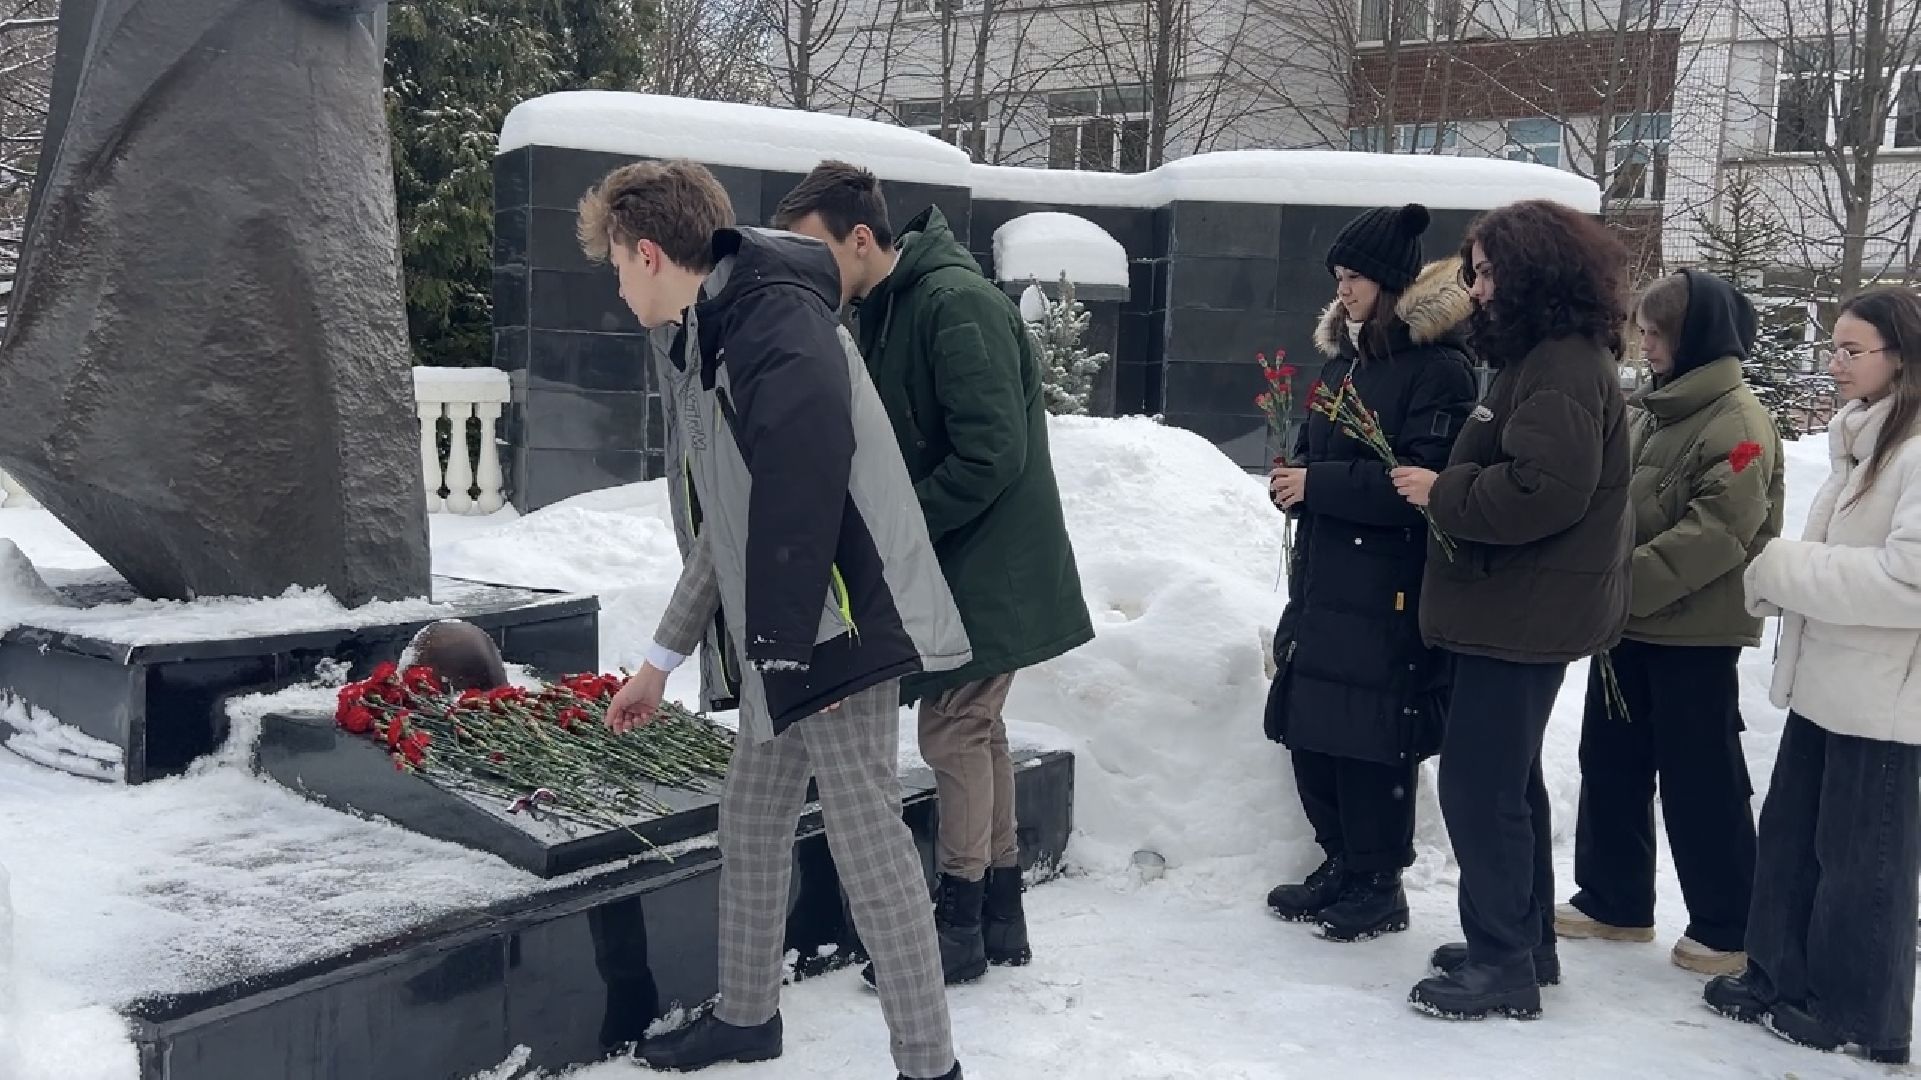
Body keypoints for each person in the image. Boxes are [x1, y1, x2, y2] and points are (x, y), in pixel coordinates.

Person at [583, 159, 971, 1080]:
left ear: (649, 253)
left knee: (868, 844)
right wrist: (659, 661)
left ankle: (930, 1067)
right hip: (791, 629)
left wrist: (789, 650)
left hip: (834, 625)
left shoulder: (771, 324)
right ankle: (747, 1017)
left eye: (617, 265)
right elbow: (732, 523)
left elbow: (803, 489)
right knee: (753, 819)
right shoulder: (712, 328)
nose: (618, 286)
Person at [772, 162, 1094, 985]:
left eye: (814, 250)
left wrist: (893, 526)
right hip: (966, 558)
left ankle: (957, 925)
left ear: (860, 238)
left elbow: (991, 454)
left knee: (951, 729)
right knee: (975, 730)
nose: (809, 271)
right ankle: (997, 916)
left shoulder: (952, 303)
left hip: (989, 562)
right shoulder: (892, 306)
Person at [1388, 199, 1633, 1021]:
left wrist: (1442, 490)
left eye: (1489, 272)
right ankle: (1523, 942)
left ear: (1535, 272)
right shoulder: (1546, 356)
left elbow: (1545, 490)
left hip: (1522, 610)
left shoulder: (1560, 365)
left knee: (1478, 787)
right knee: (1507, 782)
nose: (1477, 289)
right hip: (1519, 605)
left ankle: (1501, 965)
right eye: (1475, 271)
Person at [1705, 286, 1921, 1065]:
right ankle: (1780, 976)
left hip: (1884, 699)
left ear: (1901, 356)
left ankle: (1858, 1014)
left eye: (1850, 349)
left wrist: (1782, 569)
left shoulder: (1915, 451)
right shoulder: (1864, 439)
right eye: (1832, 346)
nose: (1832, 363)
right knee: (1793, 840)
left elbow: (1908, 581)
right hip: (1828, 682)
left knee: (1863, 864)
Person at [1556, 271, 1783, 976]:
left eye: (1656, 333)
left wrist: (1616, 586)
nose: (1644, 345)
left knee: (1699, 780)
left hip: (1694, 633)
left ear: (1695, 338)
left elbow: (1717, 533)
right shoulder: (1654, 410)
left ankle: (1728, 924)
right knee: (1610, 763)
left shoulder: (1738, 423)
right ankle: (1614, 899)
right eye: (1642, 331)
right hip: (1627, 623)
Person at [1263, 203, 1477, 943]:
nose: (1342, 289)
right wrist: (1293, 479)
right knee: (1315, 728)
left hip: (1387, 585)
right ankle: (1341, 861)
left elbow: (1422, 483)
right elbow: (1319, 449)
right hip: (1326, 576)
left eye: (1354, 276)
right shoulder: (1344, 362)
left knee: (1371, 734)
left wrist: (1318, 485)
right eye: (1337, 276)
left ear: (1388, 282)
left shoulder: (1439, 368)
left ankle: (1379, 883)